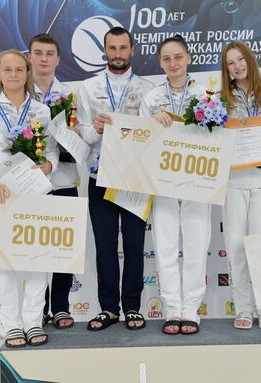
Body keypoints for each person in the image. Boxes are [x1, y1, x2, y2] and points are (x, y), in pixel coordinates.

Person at [0, 49, 59, 347]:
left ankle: (33, 321)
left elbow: (53, 150)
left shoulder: (41, 111)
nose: (13, 75)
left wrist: (49, 165)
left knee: (38, 259)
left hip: (34, 192)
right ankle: (10, 326)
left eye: (19, 70)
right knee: (4, 263)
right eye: (7, 70)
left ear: (27, 72)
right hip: (1, 194)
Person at [77, 26, 154, 331]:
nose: (118, 54)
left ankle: (133, 307)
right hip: (101, 175)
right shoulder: (88, 87)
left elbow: (154, 137)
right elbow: (82, 133)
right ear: (104, 51)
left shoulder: (149, 89)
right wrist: (94, 128)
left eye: (123, 48)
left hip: (136, 178)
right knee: (105, 246)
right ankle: (108, 308)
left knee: (135, 245)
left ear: (132, 50)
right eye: (112, 48)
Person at [139, 35, 210, 335]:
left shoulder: (207, 95)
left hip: (197, 179)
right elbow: (142, 140)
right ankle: (171, 309)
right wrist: (152, 123)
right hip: (164, 181)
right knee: (165, 247)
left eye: (178, 57)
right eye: (167, 58)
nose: (173, 63)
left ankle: (190, 310)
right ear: (160, 62)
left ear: (188, 57)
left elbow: (216, 138)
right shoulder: (151, 98)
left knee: (196, 246)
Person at [219, 40, 261, 330]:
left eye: (241, 59)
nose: (237, 66)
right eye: (231, 63)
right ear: (227, 69)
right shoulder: (220, 99)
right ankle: (244, 309)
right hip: (233, 182)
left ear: (250, 60)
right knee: (236, 246)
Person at [28, 33, 78, 330]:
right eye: (38, 53)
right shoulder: (18, 95)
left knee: (62, 247)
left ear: (58, 59)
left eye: (50, 53)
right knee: (34, 246)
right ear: (30, 57)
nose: (44, 59)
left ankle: (60, 306)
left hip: (63, 179)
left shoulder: (70, 95)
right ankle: (37, 307)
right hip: (30, 181)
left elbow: (78, 134)